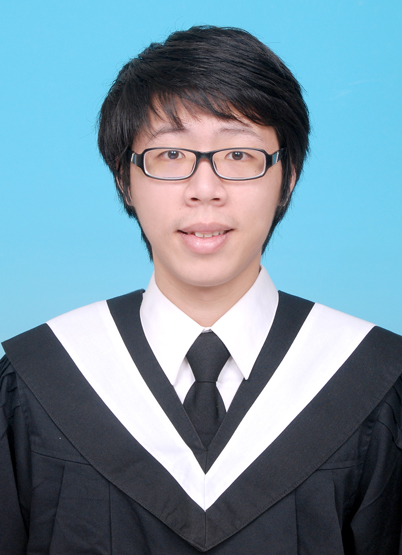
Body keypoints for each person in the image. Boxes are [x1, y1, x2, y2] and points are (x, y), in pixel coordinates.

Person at [1, 25, 401, 555]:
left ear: (288, 178)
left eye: (238, 155)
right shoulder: (38, 382)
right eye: (170, 155)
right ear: (124, 180)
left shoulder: (372, 380)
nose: (205, 190)